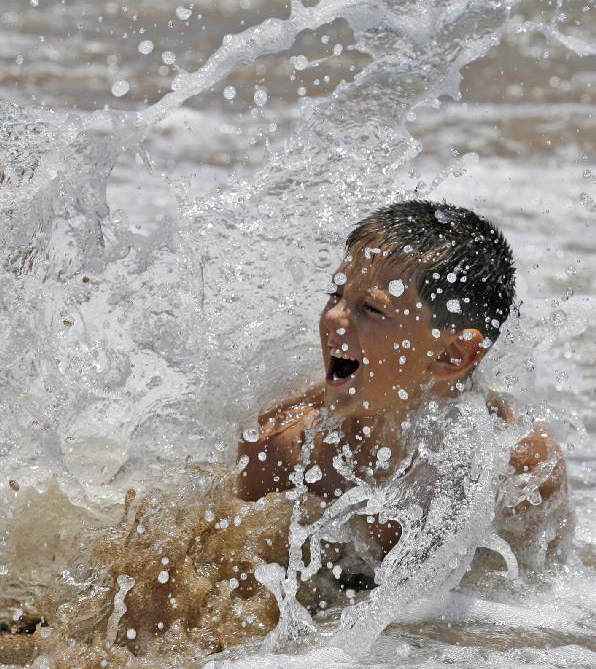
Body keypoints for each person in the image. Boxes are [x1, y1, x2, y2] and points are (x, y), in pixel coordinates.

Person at [238, 200, 572, 574]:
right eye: (336, 295)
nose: (333, 317)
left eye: (371, 309)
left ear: (453, 355)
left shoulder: (521, 469)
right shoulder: (286, 447)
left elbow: (537, 599)